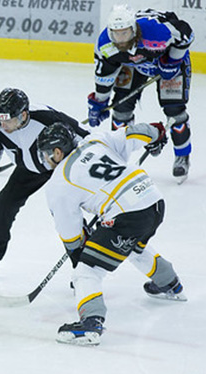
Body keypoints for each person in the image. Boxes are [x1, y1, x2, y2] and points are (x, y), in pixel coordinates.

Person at [37, 122, 187, 346]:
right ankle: (168, 282)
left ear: (57, 152)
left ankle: (91, 323)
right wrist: (157, 135)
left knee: (87, 272)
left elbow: (70, 234)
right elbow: (137, 133)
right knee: (131, 247)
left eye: (46, 154)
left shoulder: (59, 181)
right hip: (153, 201)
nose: (45, 159)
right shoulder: (95, 141)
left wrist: (80, 255)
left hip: (128, 215)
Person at [0, 87, 88, 275]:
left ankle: (84, 266)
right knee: (3, 204)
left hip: (61, 168)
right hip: (29, 170)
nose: (2, 125)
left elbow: (84, 136)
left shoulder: (46, 117)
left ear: (23, 115)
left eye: (7, 120)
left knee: (65, 214)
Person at [88, 5, 195, 183]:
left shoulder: (156, 31)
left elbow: (186, 34)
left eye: (125, 33)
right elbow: (104, 75)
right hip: (132, 66)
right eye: (116, 34)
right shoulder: (105, 45)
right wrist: (99, 102)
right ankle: (117, 159)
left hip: (166, 63)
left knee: (174, 110)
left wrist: (172, 61)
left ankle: (182, 156)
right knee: (120, 110)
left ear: (134, 29)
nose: (120, 39)